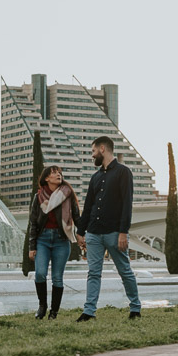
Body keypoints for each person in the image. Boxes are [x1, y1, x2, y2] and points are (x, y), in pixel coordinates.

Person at [75, 137, 142, 321]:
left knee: (125, 271)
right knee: (93, 273)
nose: (92, 155)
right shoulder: (95, 177)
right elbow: (88, 207)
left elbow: (127, 204)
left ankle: (135, 308)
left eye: (93, 151)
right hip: (94, 233)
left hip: (115, 233)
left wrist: (123, 232)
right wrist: (80, 232)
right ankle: (89, 312)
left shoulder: (123, 173)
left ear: (102, 149)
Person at [27, 165, 79, 320]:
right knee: (40, 274)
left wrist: (81, 234)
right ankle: (42, 307)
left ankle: (54, 312)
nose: (58, 174)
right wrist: (32, 246)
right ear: (46, 178)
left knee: (57, 277)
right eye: (54, 173)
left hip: (61, 240)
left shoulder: (67, 194)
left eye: (59, 173)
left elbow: (76, 216)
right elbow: (33, 223)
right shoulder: (39, 197)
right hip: (42, 240)